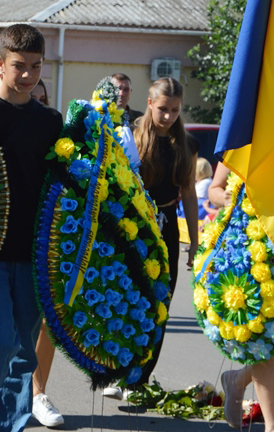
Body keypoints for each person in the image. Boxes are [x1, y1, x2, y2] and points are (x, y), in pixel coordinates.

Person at [0, 24, 63, 432]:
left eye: (35, 66)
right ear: (0, 64)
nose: (28, 75)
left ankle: (9, 426)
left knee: (24, 353)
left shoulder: (51, 121)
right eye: (19, 65)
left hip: (33, 252)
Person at [103, 77, 198, 399]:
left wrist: (194, 241)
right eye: (162, 109)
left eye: (175, 110)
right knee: (128, 300)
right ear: (149, 103)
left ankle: (138, 380)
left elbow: (188, 194)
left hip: (167, 226)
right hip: (134, 225)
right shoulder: (130, 135)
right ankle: (119, 370)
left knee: (158, 304)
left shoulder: (185, 143)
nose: (168, 116)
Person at [208, 162, 274, 432]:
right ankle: (273, 424)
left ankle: (237, 380)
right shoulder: (240, 142)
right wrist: (228, 197)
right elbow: (214, 189)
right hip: (247, 247)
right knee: (265, 337)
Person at [28, 79, 64, 429]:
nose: (35, 103)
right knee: (9, 328)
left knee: (47, 323)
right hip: (10, 239)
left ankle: (39, 393)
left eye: (42, 99)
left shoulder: (56, 133)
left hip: (50, 238)